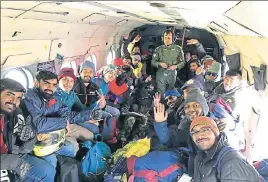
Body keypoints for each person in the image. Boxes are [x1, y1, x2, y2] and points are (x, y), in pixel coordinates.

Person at [21, 70, 95, 168]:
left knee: (72, 149)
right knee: (52, 164)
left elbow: (68, 114)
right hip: (34, 140)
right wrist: (64, 122)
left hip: (53, 132)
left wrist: (91, 114)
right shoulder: (29, 98)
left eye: (53, 85)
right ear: (36, 83)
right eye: (46, 84)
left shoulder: (52, 98)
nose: (50, 88)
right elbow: (38, 124)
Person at [0, 78, 55, 182]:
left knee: (48, 170)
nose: (14, 101)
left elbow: (23, 149)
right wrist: (14, 162)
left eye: (18, 98)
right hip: (8, 161)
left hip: (15, 156)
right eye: (9, 94)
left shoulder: (16, 116)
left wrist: (31, 138)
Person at [190, 116, 260, 181]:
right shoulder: (200, 157)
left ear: (215, 132)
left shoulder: (232, 162)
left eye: (205, 130)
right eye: (195, 132)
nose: (199, 136)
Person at [54, 67, 96, 151]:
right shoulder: (53, 95)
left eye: (71, 81)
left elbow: (82, 108)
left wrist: (96, 106)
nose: (68, 83)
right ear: (59, 81)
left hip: (71, 123)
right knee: (74, 147)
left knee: (91, 136)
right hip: (57, 127)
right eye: (65, 79)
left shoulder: (72, 95)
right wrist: (86, 119)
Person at [151, 29, 185, 94]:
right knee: (160, 92)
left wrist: (176, 66)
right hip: (161, 75)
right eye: (165, 37)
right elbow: (153, 62)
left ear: (173, 39)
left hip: (172, 74)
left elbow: (183, 62)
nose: (167, 39)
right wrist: (160, 64)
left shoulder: (178, 49)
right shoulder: (158, 49)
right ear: (162, 38)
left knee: (171, 92)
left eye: (169, 38)